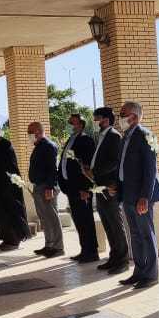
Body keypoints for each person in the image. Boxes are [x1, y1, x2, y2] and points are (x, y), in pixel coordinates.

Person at [116, 101, 159, 289]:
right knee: (135, 235)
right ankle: (139, 271)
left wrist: (145, 196)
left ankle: (151, 275)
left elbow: (150, 169)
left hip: (140, 196)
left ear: (134, 117)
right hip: (127, 194)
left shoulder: (145, 135)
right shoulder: (125, 137)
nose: (120, 117)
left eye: (123, 114)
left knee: (146, 234)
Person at [85, 107, 128, 274]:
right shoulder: (101, 136)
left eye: (97, 118)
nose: (95, 121)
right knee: (108, 224)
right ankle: (114, 257)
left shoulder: (114, 136)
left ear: (107, 120)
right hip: (99, 187)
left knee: (115, 225)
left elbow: (115, 162)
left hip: (109, 187)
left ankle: (122, 261)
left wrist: (94, 172)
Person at [57, 115, 97, 261]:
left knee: (86, 220)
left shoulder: (86, 140)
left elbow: (88, 166)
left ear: (80, 124)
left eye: (72, 123)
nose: (69, 125)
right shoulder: (71, 139)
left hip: (82, 189)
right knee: (79, 221)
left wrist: (86, 188)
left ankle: (91, 252)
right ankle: (84, 250)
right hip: (72, 187)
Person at [0, 127, 30, 251]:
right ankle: (7, 239)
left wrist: (4, 188)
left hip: (7, 190)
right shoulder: (0, 147)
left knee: (10, 214)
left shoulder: (6, 148)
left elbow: (9, 170)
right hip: (0, 189)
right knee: (2, 215)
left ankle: (13, 240)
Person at [28, 121, 64, 258]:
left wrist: (50, 187)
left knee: (52, 217)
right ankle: (49, 245)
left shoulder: (48, 146)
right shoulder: (39, 146)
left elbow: (52, 169)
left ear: (38, 131)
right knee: (44, 218)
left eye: (30, 132)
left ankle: (58, 247)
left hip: (46, 187)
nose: (29, 135)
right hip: (39, 186)